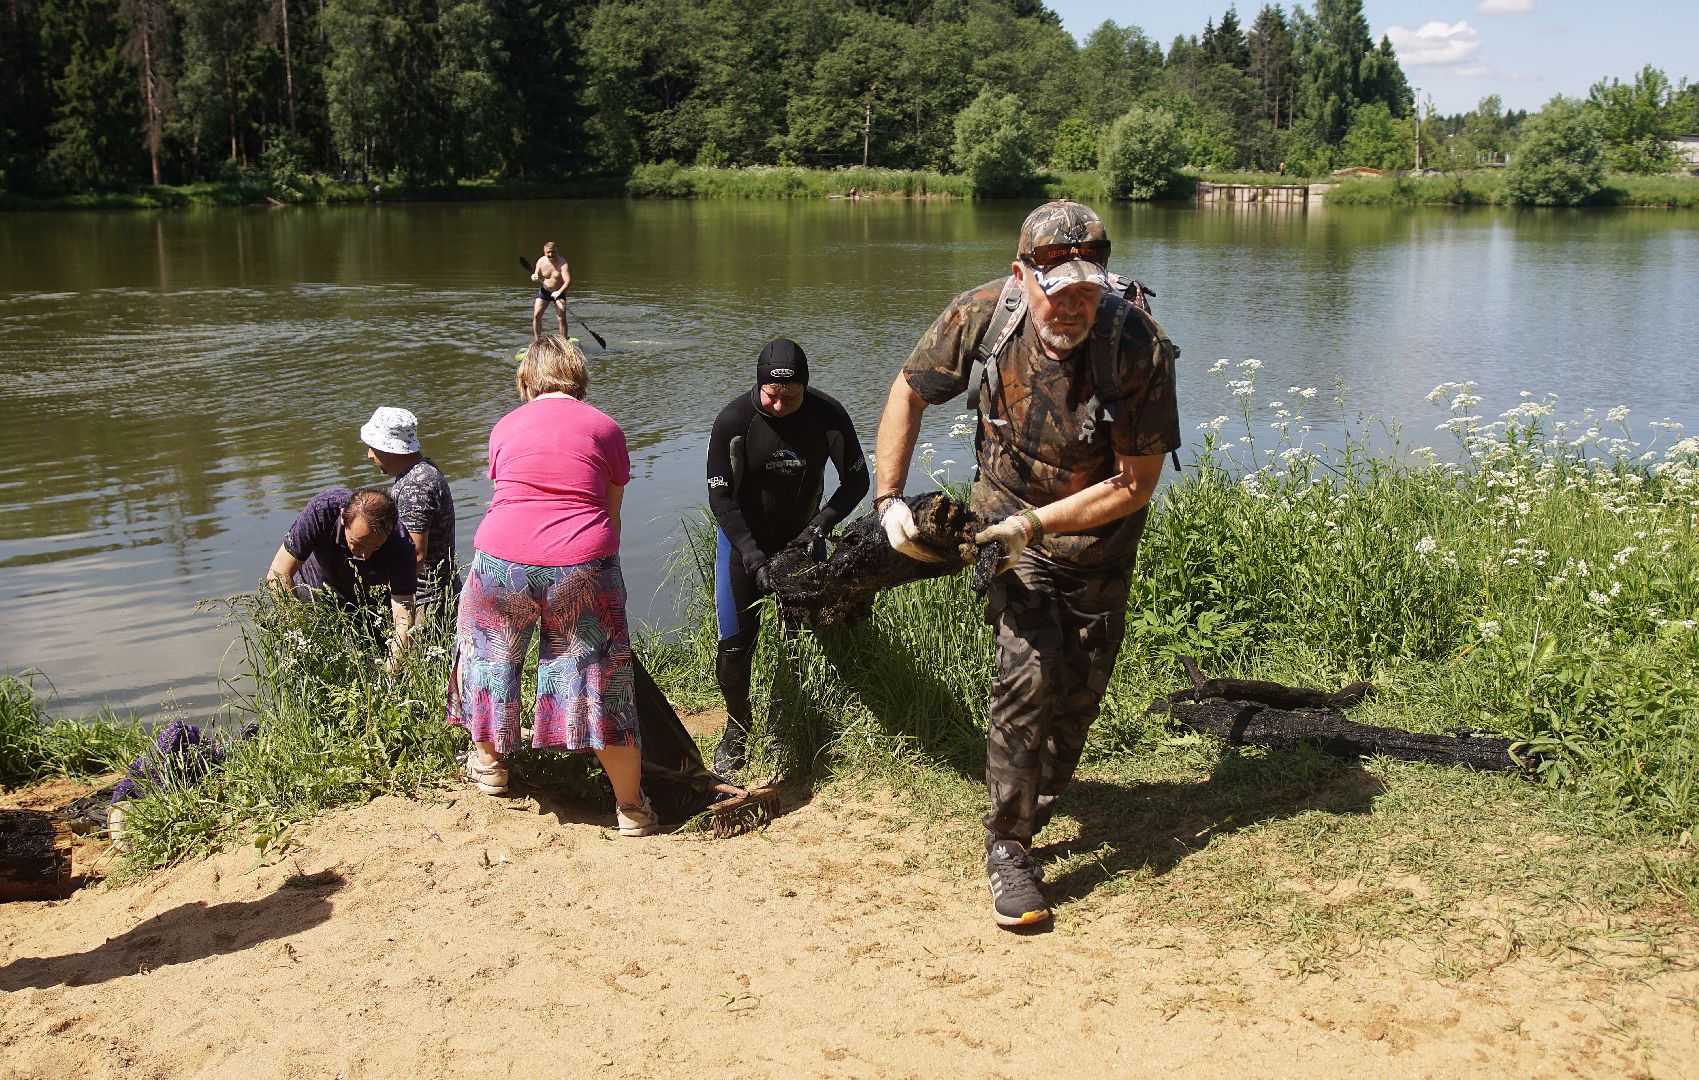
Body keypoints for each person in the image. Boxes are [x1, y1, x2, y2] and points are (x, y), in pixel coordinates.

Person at [872, 201, 1181, 929]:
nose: (1071, 306)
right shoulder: (982, 314)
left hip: (1099, 538)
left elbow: (1135, 482)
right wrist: (888, 499)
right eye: (1056, 290)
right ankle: (1007, 844)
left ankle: (1035, 806)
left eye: (1086, 290)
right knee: (1030, 670)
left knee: (1076, 694)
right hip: (1005, 521)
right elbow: (908, 388)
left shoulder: (1135, 344)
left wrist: (1036, 524)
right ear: (1022, 276)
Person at [447, 335, 657, 836]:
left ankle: (491, 767)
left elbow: (510, 494)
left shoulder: (504, 427)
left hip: (501, 559)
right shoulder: (606, 428)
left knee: (488, 655)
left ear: (526, 381)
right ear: (580, 380)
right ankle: (631, 808)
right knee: (597, 672)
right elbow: (611, 514)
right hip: (581, 559)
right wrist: (600, 577)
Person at [705, 337, 869, 773]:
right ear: (758, 386)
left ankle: (788, 719)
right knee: (737, 646)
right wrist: (753, 556)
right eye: (771, 395)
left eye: (790, 395)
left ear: (806, 387)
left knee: (797, 640)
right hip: (742, 544)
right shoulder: (733, 421)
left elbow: (856, 481)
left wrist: (818, 528)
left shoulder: (827, 415)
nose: (779, 405)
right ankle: (737, 729)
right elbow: (721, 502)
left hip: (801, 540)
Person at [266, 487, 418, 671]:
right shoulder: (322, 510)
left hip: (368, 608)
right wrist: (301, 634)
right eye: (357, 543)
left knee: (372, 670)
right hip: (315, 600)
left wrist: (391, 672)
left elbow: (403, 619)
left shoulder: (401, 543)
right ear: (343, 518)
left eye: (375, 548)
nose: (364, 556)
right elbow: (278, 573)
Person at [360, 406, 459, 627]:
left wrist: (398, 598)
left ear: (389, 449)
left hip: (426, 603)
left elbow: (415, 554)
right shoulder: (424, 471)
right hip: (436, 595)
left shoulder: (416, 485)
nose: (369, 455)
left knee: (419, 660)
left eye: (372, 447)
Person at [529, 241, 572, 340]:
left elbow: (568, 281)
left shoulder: (562, 263)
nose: (550, 254)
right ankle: (537, 341)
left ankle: (564, 340)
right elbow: (537, 275)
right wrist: (533, 277)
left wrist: (559, 292)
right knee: (536, 315)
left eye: (552, 252)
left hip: (559, 292)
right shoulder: (541, 261)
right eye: (548, 252)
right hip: (545, 292)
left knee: (561, 317)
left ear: (556, 251)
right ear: (544, 252)